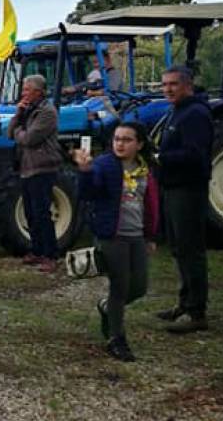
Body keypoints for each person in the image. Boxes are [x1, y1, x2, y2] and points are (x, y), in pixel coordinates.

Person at [73, 122, 159, 362]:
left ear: (139, 144)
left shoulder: (145, 169)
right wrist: (86, 171)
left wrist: (151, 235)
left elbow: (151, 204)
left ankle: (106, 307)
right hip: (113, 236)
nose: (120, 144)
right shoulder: (104, 165)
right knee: (119, 287)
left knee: (139, 287)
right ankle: (116, 339)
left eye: (127, 140)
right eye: (117, 139)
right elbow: (88, 193)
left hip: (138, 236)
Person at [155, 65, 213, 334]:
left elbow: (195, 155)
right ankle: (184, 302)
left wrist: (160, 158)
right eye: (164, 85)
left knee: (191, 250)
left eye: (173, 84)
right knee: (178, 249)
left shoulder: (196, 114)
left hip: (188, 190)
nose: (167, 89)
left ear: (187, 85)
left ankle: (196, 312)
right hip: (172, 187)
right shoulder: (176, 111)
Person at [8, 74, 63, 273]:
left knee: (42, 213)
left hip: (43, 166)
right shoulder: (28, 110)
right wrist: (17, 115)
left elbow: (30, 138)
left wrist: (18, 132)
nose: (23, 93)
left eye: (27, 90)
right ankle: (37, 250)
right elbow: (10, 133)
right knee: (30, 212)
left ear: (38, 92)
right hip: (26, 167)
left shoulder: (47, 112)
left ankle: (51, 255)